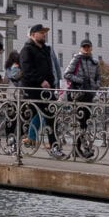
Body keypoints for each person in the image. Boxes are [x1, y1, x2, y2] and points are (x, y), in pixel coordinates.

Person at [19, 23, 66, 159]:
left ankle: (54, 147)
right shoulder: (27, 50)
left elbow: (50, 69)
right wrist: (40, 81)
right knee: (25, 118)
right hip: (32, 90)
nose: (44, 34)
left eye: (45, 32)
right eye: (41, 32)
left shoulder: (46, 50)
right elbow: (27, 71)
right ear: (34, 35)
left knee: (52, 117)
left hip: (46, 90)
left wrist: (52, 84)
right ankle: (13, 144)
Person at [63, 39, 101, 158]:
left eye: (88, 47)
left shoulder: (94, 62)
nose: (86, 48)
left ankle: (77, 149)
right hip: (77, 96)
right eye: (84, 47)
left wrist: (95, 86)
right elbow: (67, 74)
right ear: (81, 48)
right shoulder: (76, 59)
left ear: (91, 48)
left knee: (85, 122)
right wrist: (81, 81)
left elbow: (98, 77)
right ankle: (85, 148)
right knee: (81, 122)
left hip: (89, 95)